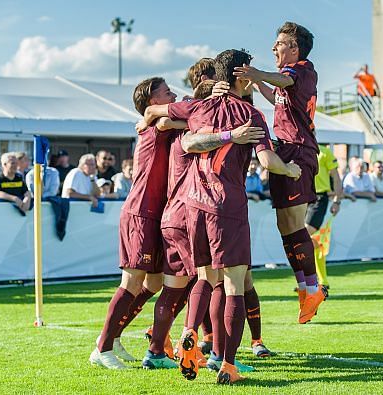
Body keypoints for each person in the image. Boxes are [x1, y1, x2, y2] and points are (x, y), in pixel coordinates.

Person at [142, 49, 301, 384]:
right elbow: (269, 162)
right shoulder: (250, 114)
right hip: (227, 206)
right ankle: (226, 363)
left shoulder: (199, 107)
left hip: (193, 208)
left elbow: (160, 115)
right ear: (241, 76)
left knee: (204, 278)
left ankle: (189, 333)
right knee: (233, 286)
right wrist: (291, 168)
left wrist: (148, 120)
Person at [233, 21, 327, 327]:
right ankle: (305, 288)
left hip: (298, 150)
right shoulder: (289, 80)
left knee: (294, 223)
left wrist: (258, 75)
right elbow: (280, 98)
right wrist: (261, 85)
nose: (275, 48)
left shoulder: (302, 69)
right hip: (287, 148)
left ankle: (312, 288)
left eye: (280, 43)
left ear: (295, 48)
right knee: (285, 224)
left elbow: (282, 81)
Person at [90, 77, 182, 370]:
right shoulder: (157, 126)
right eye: (167, 92)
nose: (174, 94)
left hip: (157, 215)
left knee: (153, 282)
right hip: (140, 213)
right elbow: (191, 116)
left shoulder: (158, 122)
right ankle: (102, 348)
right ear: (154, 103)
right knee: (130, 282)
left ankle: (113, 334)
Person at [305, 144, 343, 290]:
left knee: (304, 236)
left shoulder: (325, 152)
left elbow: (336, 178)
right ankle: (319, 281)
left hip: (319, 198)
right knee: (312, 242)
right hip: (303, 198)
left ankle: (312, 281)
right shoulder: (299, 150)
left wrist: (337, 201)